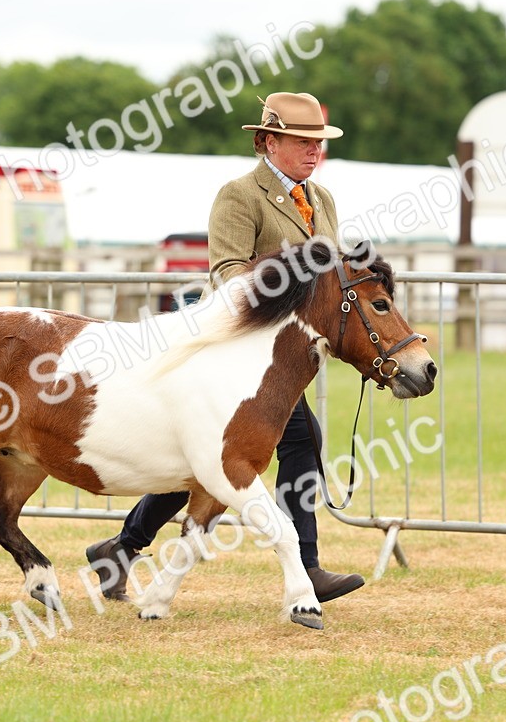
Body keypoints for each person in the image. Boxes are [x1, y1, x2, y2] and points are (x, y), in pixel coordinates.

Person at [85, 92, 365, 605]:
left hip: (282, 360)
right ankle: (306, 566)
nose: (313, 151)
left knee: (220, 456)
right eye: (303, 142)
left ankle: (122, 548)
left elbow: (329, 276)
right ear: (269, 141)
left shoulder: (322, 200)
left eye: (318, 142)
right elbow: (227, 272)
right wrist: (283, 288)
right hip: (236, 351)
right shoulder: (240, 195)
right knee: (242, 450)